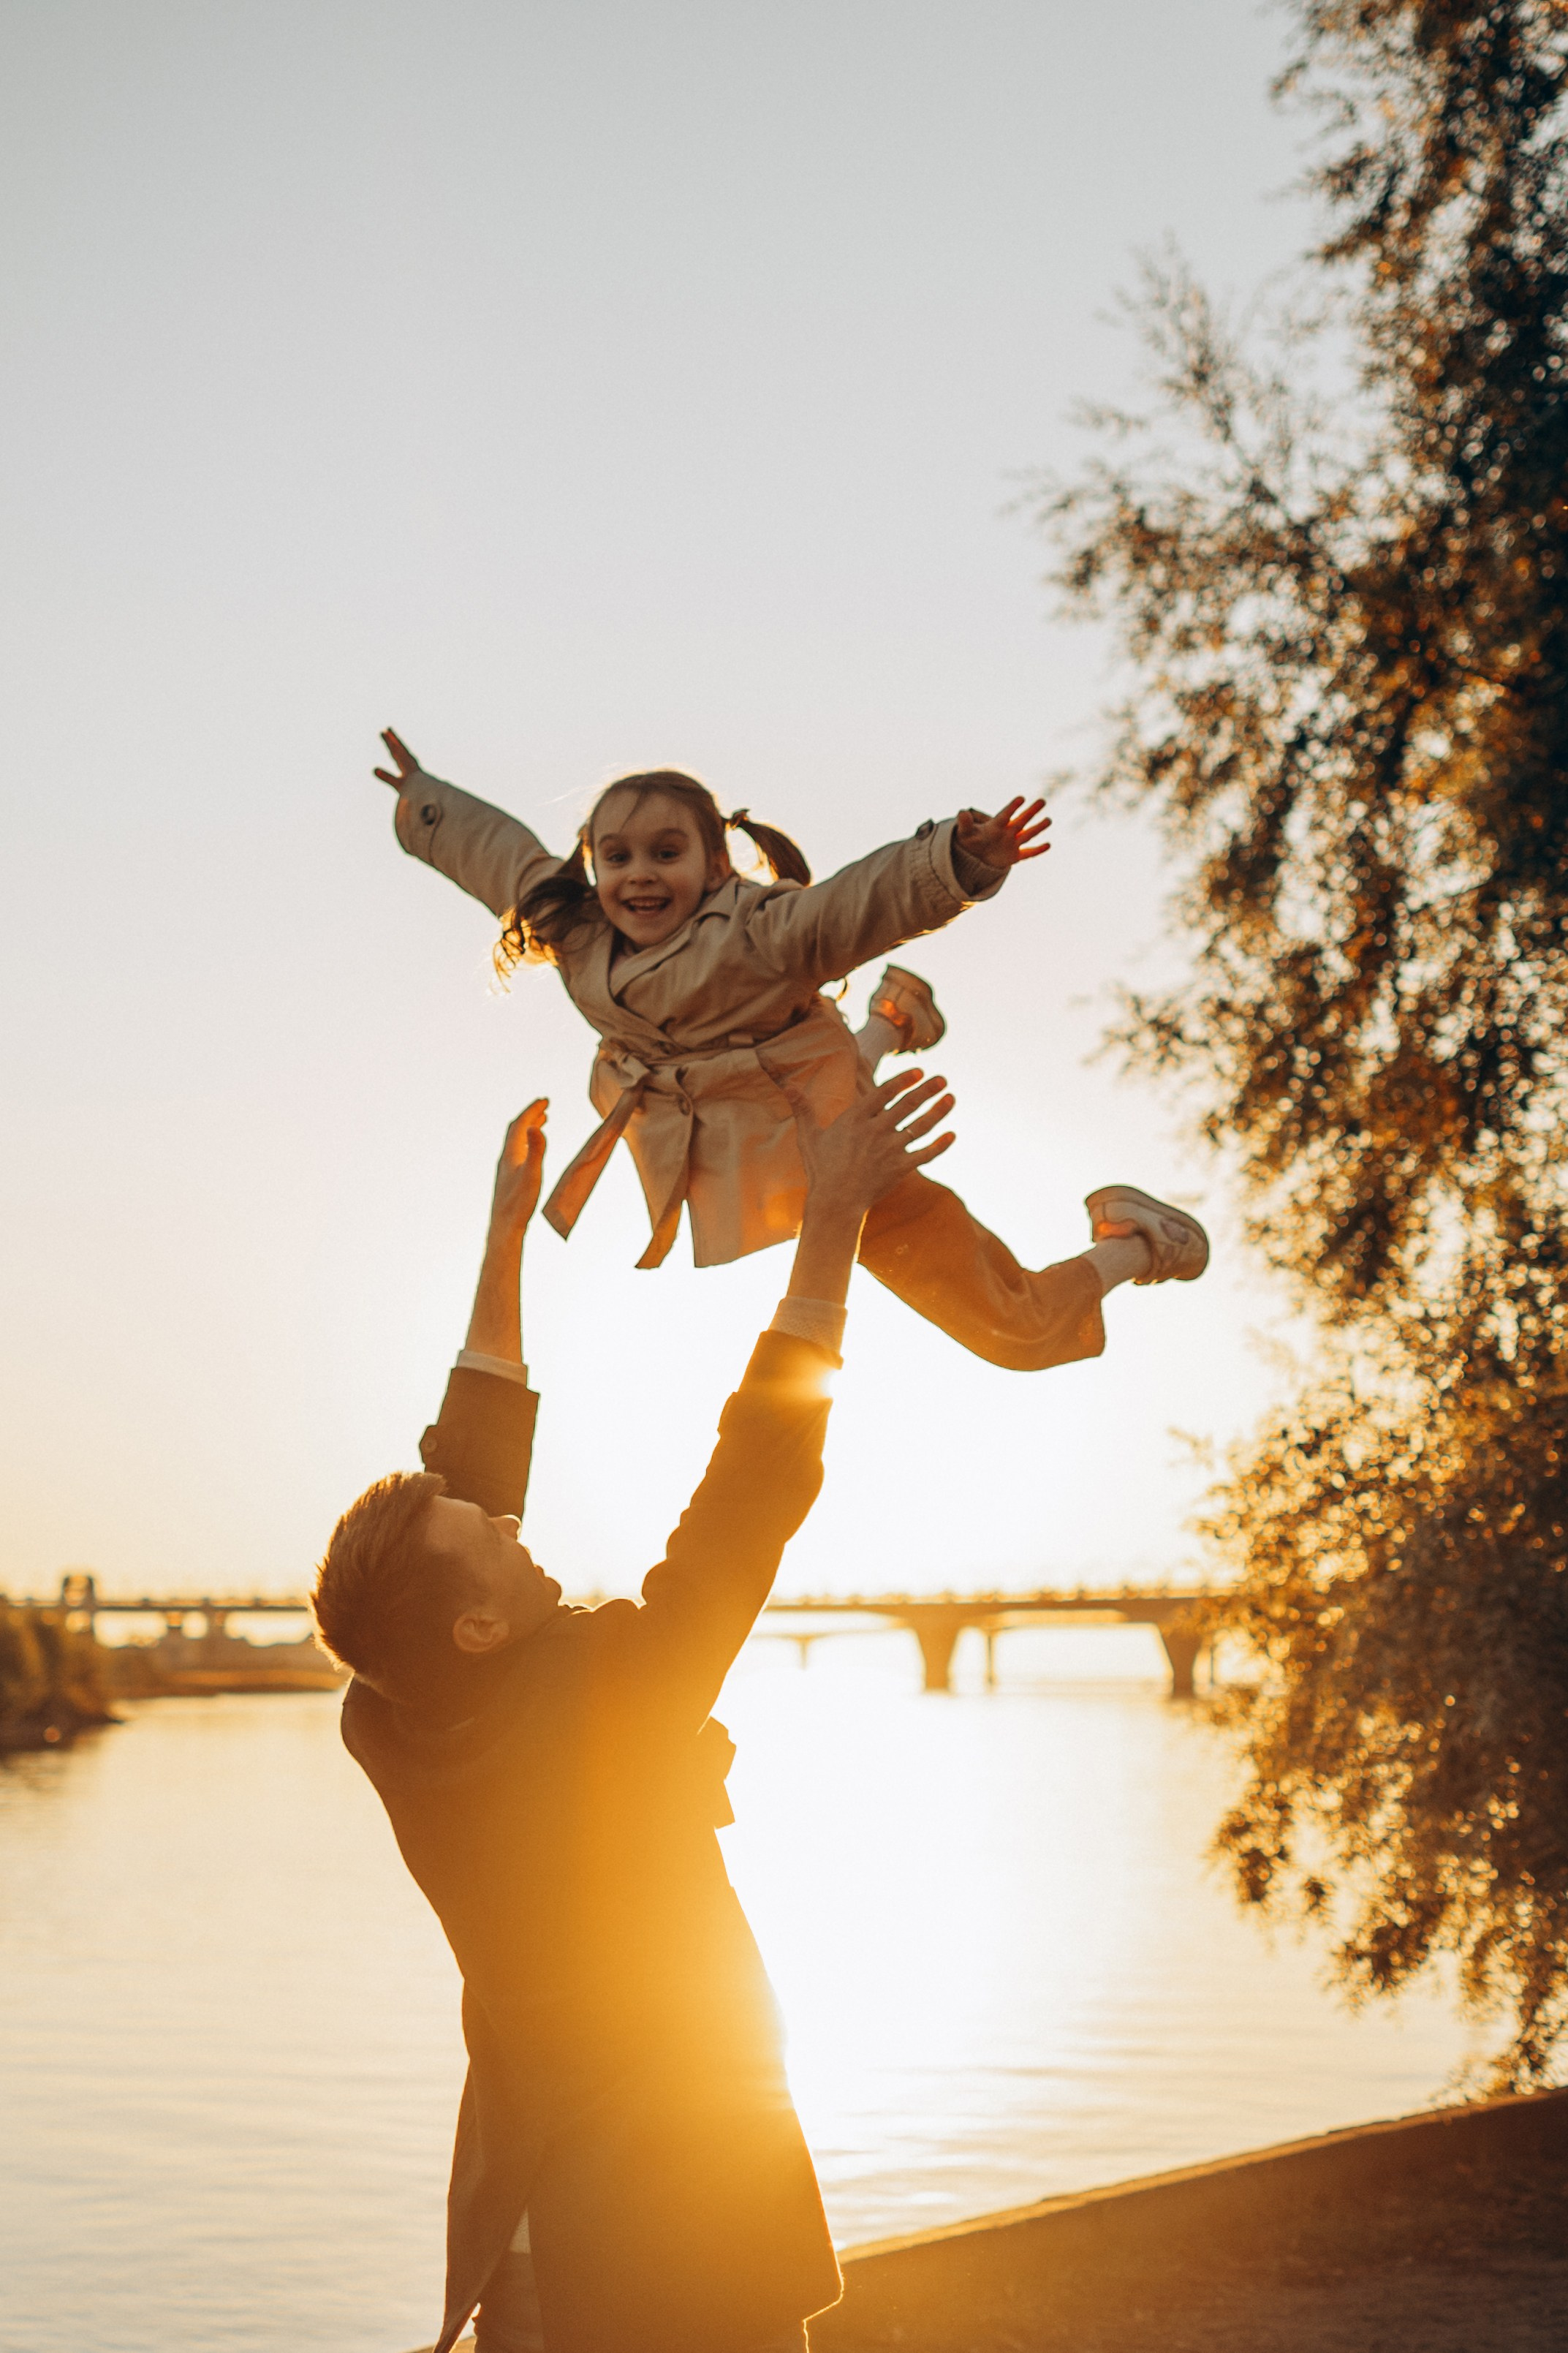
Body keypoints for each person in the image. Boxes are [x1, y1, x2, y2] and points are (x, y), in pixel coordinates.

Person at [311, 1068, 958, 2353]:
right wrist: (831, 1218)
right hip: (686, 2238)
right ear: (477, 1625)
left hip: (534, 2245)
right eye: (485, 1532)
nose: (505, 1512)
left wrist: (505, 1242)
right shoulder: (610, 1696)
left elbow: (464, 1479)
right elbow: (749, 1494)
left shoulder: (386, 1718)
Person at [372, 733, 1209, 1365]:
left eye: (667, 853)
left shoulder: (761, 931)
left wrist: (953, 861)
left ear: (714, 861)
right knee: (808, 1082)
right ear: (591, 867)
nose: (638, 876)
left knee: (1015, 1328)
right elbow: (499, 858)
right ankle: (893, 1015)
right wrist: (425, 804)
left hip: (839, 1155)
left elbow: (855, 906)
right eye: (616, 857)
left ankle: (1135, 1239)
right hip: (765, 1112)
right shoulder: (579, 932)